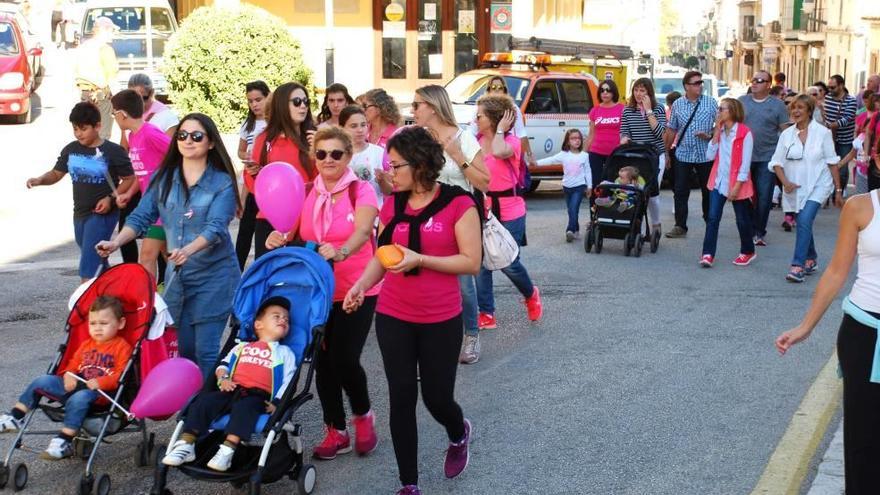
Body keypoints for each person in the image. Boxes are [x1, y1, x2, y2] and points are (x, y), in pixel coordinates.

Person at [342, 126, 482, 495]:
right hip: (394, 314)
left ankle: (458, 431)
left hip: (440, 318)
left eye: (396, 164)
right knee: (401, 397)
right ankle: (409, 484)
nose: (390, 172)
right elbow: (383, 254)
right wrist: (360, 286)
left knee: (437, 398)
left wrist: (421, 258)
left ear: (419, 164)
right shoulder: (394, 204)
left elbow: (471, 262)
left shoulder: (458, 203)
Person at [265, 126, 381, 460]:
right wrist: (278, 237)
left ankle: (363, 416)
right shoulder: (304, 192)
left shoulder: (361, 192)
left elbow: (362, 231)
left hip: (357, 287)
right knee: (322, 363)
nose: (328, 160)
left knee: (345, 358)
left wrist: (342, 251)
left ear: (348, 156)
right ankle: (336, 430)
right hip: (316, 291)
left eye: (336, 154)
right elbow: (289, 229)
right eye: (321, 154)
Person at [96, 113, 241, 378]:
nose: (188, 140)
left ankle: (202, 414)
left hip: (215, 277)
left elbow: (216, 227)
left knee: (206, 351)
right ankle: (190, 409)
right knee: (184, 349)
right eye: (182, 135)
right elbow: (141, 216)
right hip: (179, 279)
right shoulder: (164, 179)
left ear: (210, 143)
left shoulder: (221, 182)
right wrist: (115, 242)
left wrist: (188, 250)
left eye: (197, 136)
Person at [775, 187, 880, 494]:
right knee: (862, 441)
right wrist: (806, 326)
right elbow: (836, 271)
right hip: (864, 332)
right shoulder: (859, 207)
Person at [161, 296, 296, 472]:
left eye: (286, 319)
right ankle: (187, 443)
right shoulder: (241, 347)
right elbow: (222, 366)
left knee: (244, 409)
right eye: (276, 316)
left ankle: (228, 449)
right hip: (230, 389)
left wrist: (278, 403)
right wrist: (223, 379)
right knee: (203, 402)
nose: (283, 320)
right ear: (258, 324)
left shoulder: (285, 352)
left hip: (257, 395)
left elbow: (288, 380)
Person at [410, 85, 490, 362]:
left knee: (464, 284)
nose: (412, 110)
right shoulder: (417, 140)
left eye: (417, 104)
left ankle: (471, 334)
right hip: (426, 216)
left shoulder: (464, 137)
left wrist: (457, 156)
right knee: (425, 278)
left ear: (432, 106)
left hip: (459, 217)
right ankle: (432, 336)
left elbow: (484, 182)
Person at [0, 296, 132, 460]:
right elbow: (73, 365)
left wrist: (101, 382)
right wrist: (69, 375)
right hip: (76, 386)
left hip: (99, 394)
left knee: (80, 397)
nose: (97, 328)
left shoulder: (122, 347)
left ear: (120, 323)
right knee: (42, 380)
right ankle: (16, 416)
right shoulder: (86, 345)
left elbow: (121, 375)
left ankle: (64, 440)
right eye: (93, 323)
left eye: (104, 324)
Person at [26, 102, 135, 283]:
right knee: (98, 259)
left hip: (103, 213)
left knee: (89, 265)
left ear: (98, 126)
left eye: (83, 129)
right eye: (75, 129)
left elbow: (130, 179)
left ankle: (84, 305)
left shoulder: (113, 151)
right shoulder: (71, 149)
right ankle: (111, 299)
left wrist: (110, 198)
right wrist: (40, 180)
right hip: (80, 213)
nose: (78, 134)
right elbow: (55, 174)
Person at [474, 94, 543, 329]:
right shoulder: (475, 140)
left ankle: (530, 293)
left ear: (494, 118)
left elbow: (500, 152)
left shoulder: (511, 141)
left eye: (480, 115)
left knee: (508, 262)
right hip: (483, 207)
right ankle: (486, 313)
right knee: (482, 263)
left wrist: (501, 130)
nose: (476, 118)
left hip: (510, 208)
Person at [769, 94, 842, 283]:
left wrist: (838, 191)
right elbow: (776, 162)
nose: (796, 111)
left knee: (804, 219)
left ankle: (798, 265)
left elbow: (832, 162)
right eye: (793, 108)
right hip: (795, 186)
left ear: (810, 111)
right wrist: (785, 182)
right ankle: (811, 258)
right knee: (803, 221)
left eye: (800, 107)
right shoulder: (786, 135)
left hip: (819, 184)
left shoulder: (823, 133)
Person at [244, 82, 317, 259]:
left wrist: (319, 151)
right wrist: (254, 173)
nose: (303, 106)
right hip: (270, 219)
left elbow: (326, 178)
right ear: (282, 105)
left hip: (306, 219)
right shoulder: (264, 139)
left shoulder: (314, 137)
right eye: (297, 101)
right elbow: (254, 186)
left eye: (306, 101)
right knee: (270, 279)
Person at [110, 90, 172, 284]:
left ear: (123, 114)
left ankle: (151, 301)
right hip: (151, 207)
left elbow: (177, 154)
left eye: (114, 113)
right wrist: (129, 193)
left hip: (166, 206)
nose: (114, 118)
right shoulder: (134, 137)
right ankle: (165, 296)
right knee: (167, 256)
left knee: (147, 255)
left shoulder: (150, 133)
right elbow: (141, 172)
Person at [699, 98, 756, 268]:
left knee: (742, 220)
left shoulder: (745, 133)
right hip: (719, 181)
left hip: (737, 182)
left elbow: (745, 164)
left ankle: (748, 251)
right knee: (713, 218)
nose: (718, 112)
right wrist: (716, 131)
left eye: (721, 109)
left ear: (732, 111)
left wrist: (737, 187)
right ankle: (707, 254)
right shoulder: (720, 130)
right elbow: (709, 155)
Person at [739, 70, 791, 247]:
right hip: (744, 157)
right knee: (743, 196)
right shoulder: (741, 101)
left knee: (764, 196)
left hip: (767, 157)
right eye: (753, 79)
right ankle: (748, 225)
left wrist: (787, 155)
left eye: (760, 80)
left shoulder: (778, 105)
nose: (754, 83)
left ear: (769, 85)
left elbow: (785, 131)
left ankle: (759, 231)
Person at [664, 71, 718, 239]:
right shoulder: (678, 104)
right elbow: (671, 129)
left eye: (701, 82)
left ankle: (710, 221)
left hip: (705, 154)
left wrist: (709, 136)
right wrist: (666, 153)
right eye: (696, 83)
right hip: (683, 153)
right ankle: (680, 225)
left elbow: (720, 125)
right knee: (680, 191)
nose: (700, 85)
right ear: (686, 86)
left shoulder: (711, 103)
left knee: (708, 190)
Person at [620, 77, 667, 235]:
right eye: (636, 90)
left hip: (654, 155)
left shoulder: (658, 108)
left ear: (649, 93)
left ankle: (656, 223)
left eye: (642, 91)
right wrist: (624, 138)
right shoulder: (627, 110)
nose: (638, 94)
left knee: (652, 193)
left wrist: (648, 111)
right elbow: (624, 131)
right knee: (637, 192)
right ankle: (638, 227)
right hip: (635, 155)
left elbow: (660, 133)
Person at [235, 80, 270, 270]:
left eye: (258, 99)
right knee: (244, 230)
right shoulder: (248, 124)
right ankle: (237, 269)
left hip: (269, 184)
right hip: (251, 181)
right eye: (250, 101)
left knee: (262, 232)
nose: (254, 104)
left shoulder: (273, 123)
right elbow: (240, 150)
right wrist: (247, 155)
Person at [468, 76, 536, 169]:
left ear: (504, 90)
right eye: (493, 87)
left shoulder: (513, 108)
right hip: (485, 150)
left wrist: (529, 154)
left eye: (500, 88)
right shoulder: (480, 108)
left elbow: (521, 134)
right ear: (488, 90)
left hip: (506, 150)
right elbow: (472, 132)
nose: (496, 90)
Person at [538, 129, 591, 241]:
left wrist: (589, 186)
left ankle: (570, 230)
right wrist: (535, 163)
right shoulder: (563, 155)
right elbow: (551, 160)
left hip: (579, 186)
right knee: (571, 209)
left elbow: (588, 171)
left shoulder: (584, 156)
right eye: (573, 138)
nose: (577, 141)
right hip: (567, 186)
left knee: (573, 208)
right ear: (567, 141)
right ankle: (576, 228)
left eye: (578, 138)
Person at [73, 17, 119, 141]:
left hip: (85, 94)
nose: (113, 34)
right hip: (101, 97)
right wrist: (119, 101)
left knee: (86, 133)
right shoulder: (105, 49)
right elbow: (111, 77)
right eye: (111, 30)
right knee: (102, 135)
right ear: (104, 30)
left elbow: (76, 71)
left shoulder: (83, 47)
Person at [339, 105, 394, 206]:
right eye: (353, 126)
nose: (360, 130)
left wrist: (382, 181)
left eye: (363, 125)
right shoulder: (337, 154)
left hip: (374, 215)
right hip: (347, 214)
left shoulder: (379, 153)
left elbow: (389, 191)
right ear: (342, 128)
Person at [586, 80, 624, 195]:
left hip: (615, 154)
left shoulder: (622, 109)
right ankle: (594, 210)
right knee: (596, 183)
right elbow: (591, 134)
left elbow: (625, 132)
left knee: (613, 183)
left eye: (608, 90)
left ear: (614, 92)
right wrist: (583, 153)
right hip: (596, 152)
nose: (605, 93)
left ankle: (610, 212)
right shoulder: (595, 110)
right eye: (602, 90)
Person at [824, 75, 858, 194]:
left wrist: (827, 126)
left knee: (842, 169)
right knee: (829, 165)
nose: (830, 90)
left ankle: (838, 191)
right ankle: (831, 190)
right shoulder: (827, 98)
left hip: (845, 140)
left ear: (841, 86)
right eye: (829, 87)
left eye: (833, 87)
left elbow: (847, 119)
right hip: (829, 139)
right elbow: (825, 116)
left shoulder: (851, 101)